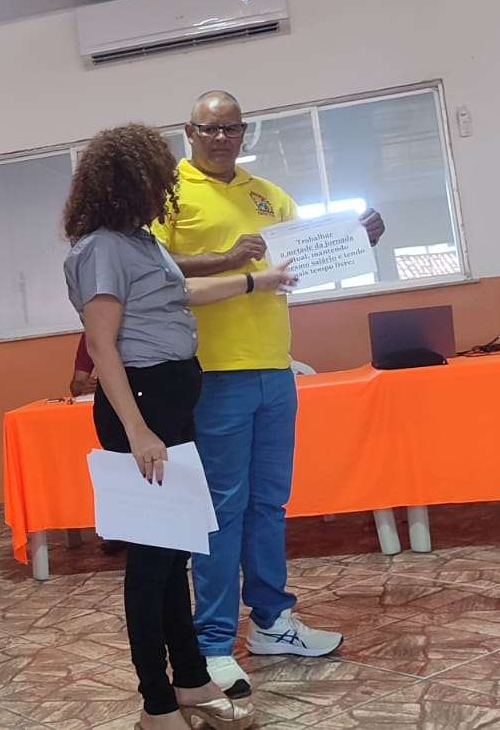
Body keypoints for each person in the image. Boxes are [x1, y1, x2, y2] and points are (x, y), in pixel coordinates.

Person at [62, 123, 296, 730]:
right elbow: (102, 345)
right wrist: (139, 431)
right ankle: (156, 702)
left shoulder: (140, 242)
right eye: (159, 180)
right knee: (150, 561)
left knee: (173, 551)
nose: (168, 189)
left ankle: (189, 679)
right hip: (139, 407)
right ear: (128, 183)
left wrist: (257, 280)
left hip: (168, 403)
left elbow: (184, 293)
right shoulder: (100, 248)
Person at [153, 90, 385, 698]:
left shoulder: (269, 196)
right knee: (222, 510)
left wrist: (357, 240)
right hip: (213, 372)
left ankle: (272, 621)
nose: (221, 138)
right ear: (189, 132)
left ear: (244, 132)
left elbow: (302, 259)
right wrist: (225, 259)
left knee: (268, 504)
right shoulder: (167, 193)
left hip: (275, 370)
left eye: (231, 128)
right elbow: (151, 267)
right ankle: (211, 644)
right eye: (209, 129)